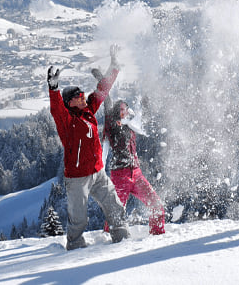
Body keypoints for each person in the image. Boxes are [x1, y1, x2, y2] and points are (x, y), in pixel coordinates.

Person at [47, 45, 129, 250]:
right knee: (79, 219)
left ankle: (122, 239)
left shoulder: (88, 111)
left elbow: (102, 89)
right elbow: (57, 110)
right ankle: (75, 248)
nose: (84, 97)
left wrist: (114, 66)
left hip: (97, 172)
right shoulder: (67, 121)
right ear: (70, 102)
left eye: (83, 94)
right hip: (77, 178)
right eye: (78, 96)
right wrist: (54, 88)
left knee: (114, 206)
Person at [101, 81, 166, 235]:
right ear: (117, 111)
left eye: (126, 109)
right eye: (123, 110)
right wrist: (103, 85)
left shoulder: (130, 127)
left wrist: (146, 98)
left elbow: (143, 118)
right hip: (120, 175)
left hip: (136, 174)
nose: (126, 112)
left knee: (156, 205)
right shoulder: (112, 127)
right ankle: (105, 241)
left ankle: (158, 236)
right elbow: (107, 104)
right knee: (116, 213)